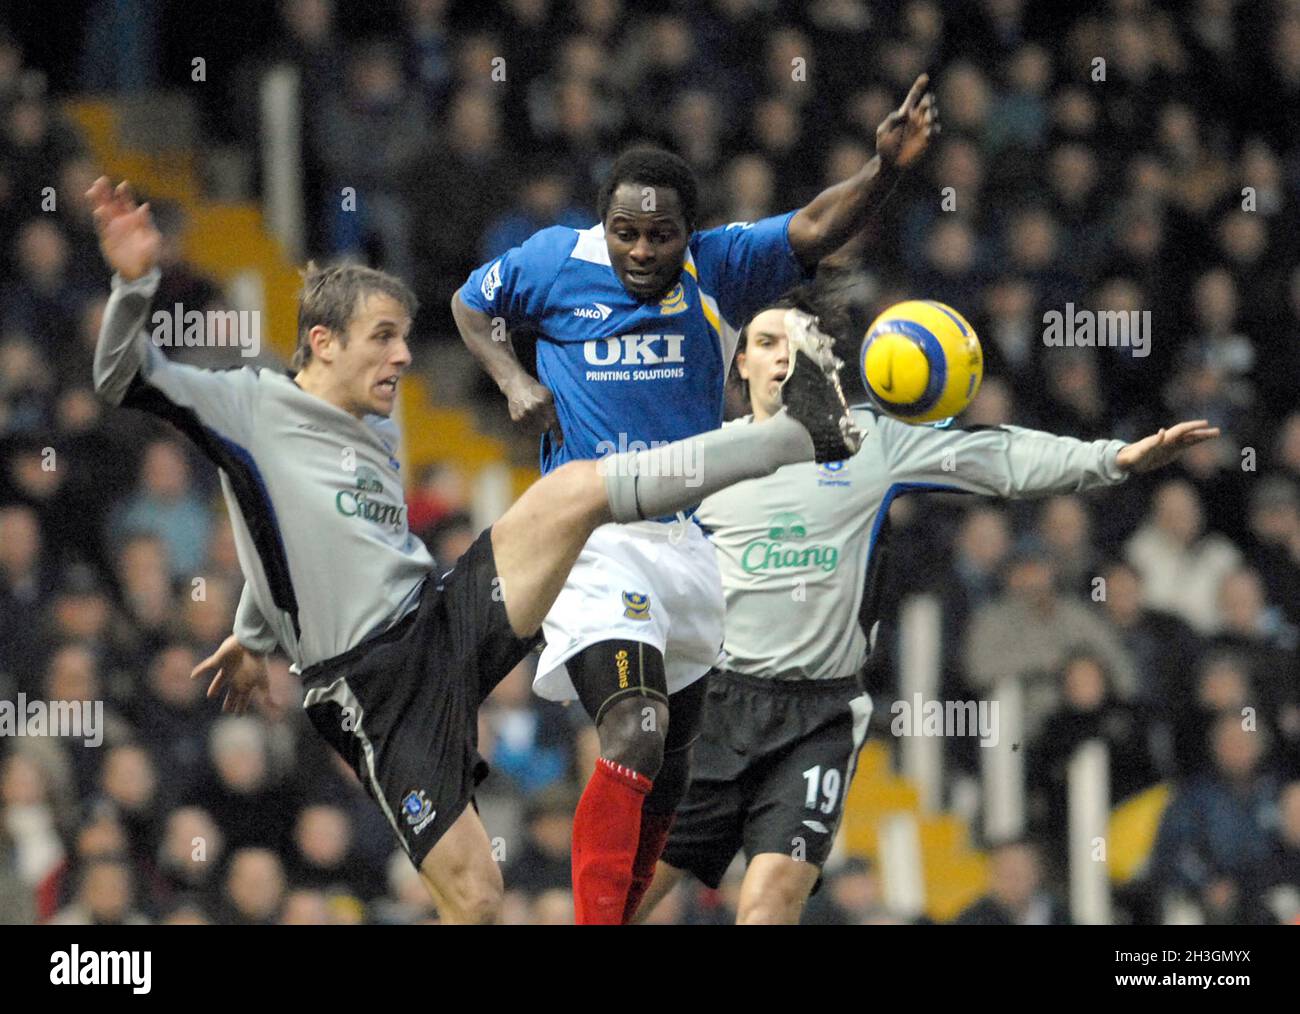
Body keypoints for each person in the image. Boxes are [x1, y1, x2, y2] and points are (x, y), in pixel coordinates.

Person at [85, 176, 858, 924]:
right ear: (321, 342)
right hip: (373, 687)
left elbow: (302, 531)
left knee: (577, 488)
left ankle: (790, 436)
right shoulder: (246, 407)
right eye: (383, 337)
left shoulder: (377, 421)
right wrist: (136, 281)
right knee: (479, 900)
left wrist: (251, 634)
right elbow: (122, 376)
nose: (404, 356)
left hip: (441, 618)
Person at [452, 75, 940, 925]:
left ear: (690, 232)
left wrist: (883, 167)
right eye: (626, 233)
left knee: (671, 770)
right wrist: (510, 378)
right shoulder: (551, 262)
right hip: (592, 536)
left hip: (685, 542)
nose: (641, 251)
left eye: (661, 235)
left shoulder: (721, 268)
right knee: (634, 732)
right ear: (603, 226)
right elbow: (470, 304)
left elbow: (818, 224)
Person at [634, 291, 1220, 924]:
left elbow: (996, 456)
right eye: (768, 343)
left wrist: (1111, 458)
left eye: (800, 344)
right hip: (719, 709)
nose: (783, 357)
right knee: (625, 901)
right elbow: (620, 543)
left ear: (824, 362)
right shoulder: (702, 458)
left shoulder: (868, 444)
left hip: (818, 717)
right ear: (740, 363)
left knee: (772, 900)